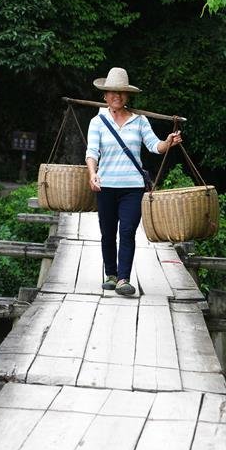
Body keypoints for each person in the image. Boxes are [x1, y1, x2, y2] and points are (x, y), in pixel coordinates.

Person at [85, 67, 182, 296]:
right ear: (105, 96)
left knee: (127, 231)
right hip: (106, 186)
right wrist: (92, 174)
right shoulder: (98, 122)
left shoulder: (140, 121)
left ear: (127, 95)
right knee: (108, 232)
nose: (117, 96)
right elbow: (92, 152)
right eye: (112, 92)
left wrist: (168, 142)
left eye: (121, 92)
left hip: (133, 187)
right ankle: (111, 274)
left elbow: (154, 146)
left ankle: (123, 279)